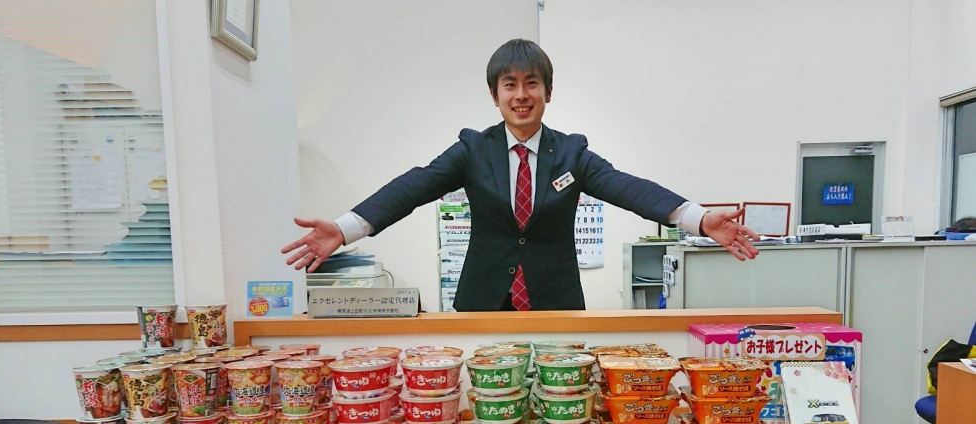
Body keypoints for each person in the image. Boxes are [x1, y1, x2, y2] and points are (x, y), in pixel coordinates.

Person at [282, 39, 759, 311]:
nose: (521, 94)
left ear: (548, 92)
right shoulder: (474, 149)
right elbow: (414, 185)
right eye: (510, 85)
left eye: (532, 83)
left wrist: (698, 219)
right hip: (482, 300)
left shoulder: (571, 152)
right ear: (495, 95)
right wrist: (344, 229)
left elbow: (628, 188)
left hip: (556, 301)